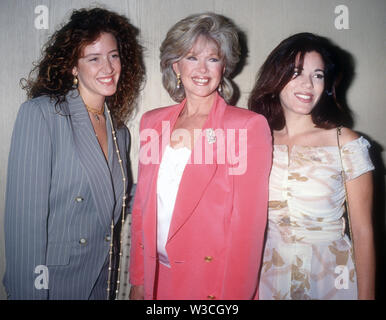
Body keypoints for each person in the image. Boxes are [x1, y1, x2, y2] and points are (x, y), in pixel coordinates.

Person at [3, 7, 145, 300]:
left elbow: (110, 210)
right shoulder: (41, 114)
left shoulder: (120, 132)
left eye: (114, 55)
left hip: (100, 283)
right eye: (93, 58)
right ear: (72, 67)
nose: (108, 67)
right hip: (53, 284)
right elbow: (24, 224)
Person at [129, 12, 272, 300]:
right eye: (192, 57)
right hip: (158, 279)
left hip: (212, 284)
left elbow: (248, 229)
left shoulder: (246, 126)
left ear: (224, 67)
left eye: (213, 58)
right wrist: (139, 279)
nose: (202, 69)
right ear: (175, 65)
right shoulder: (152, 123)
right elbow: (143, 207)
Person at [248, 32, 375, 300]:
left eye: (318, 75)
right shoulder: (257, 139)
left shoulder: (346, 143)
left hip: (330, 275)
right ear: (276, 78)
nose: (308, 84)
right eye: (296, 72)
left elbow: (363, 231)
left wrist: (367, 296)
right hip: (269, 274)